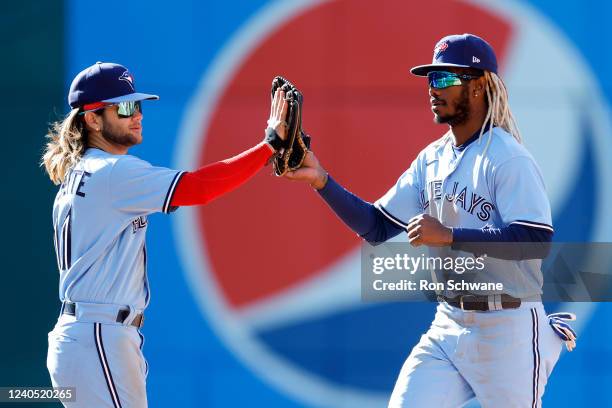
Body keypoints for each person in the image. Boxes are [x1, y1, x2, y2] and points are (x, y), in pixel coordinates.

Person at [284, 34, 571, 407]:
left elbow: (535, 241)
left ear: (479, 85)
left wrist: (451, 235)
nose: (433, 90)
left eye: (446, 79)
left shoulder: (508, 157)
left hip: (508, 329)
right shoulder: (431, 159)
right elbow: (375, 225)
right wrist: (320, 180)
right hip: (449, 323)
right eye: (430, 80)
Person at [42, 62, 288, 408]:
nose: (137, 115)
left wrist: (264, 153)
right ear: (92, 119)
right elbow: (198, 188)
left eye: (138, 105)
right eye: (124, 108)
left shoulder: (85, 172)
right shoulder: (113, 172)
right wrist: (268, 145)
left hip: (91, 335)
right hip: (99, 334)